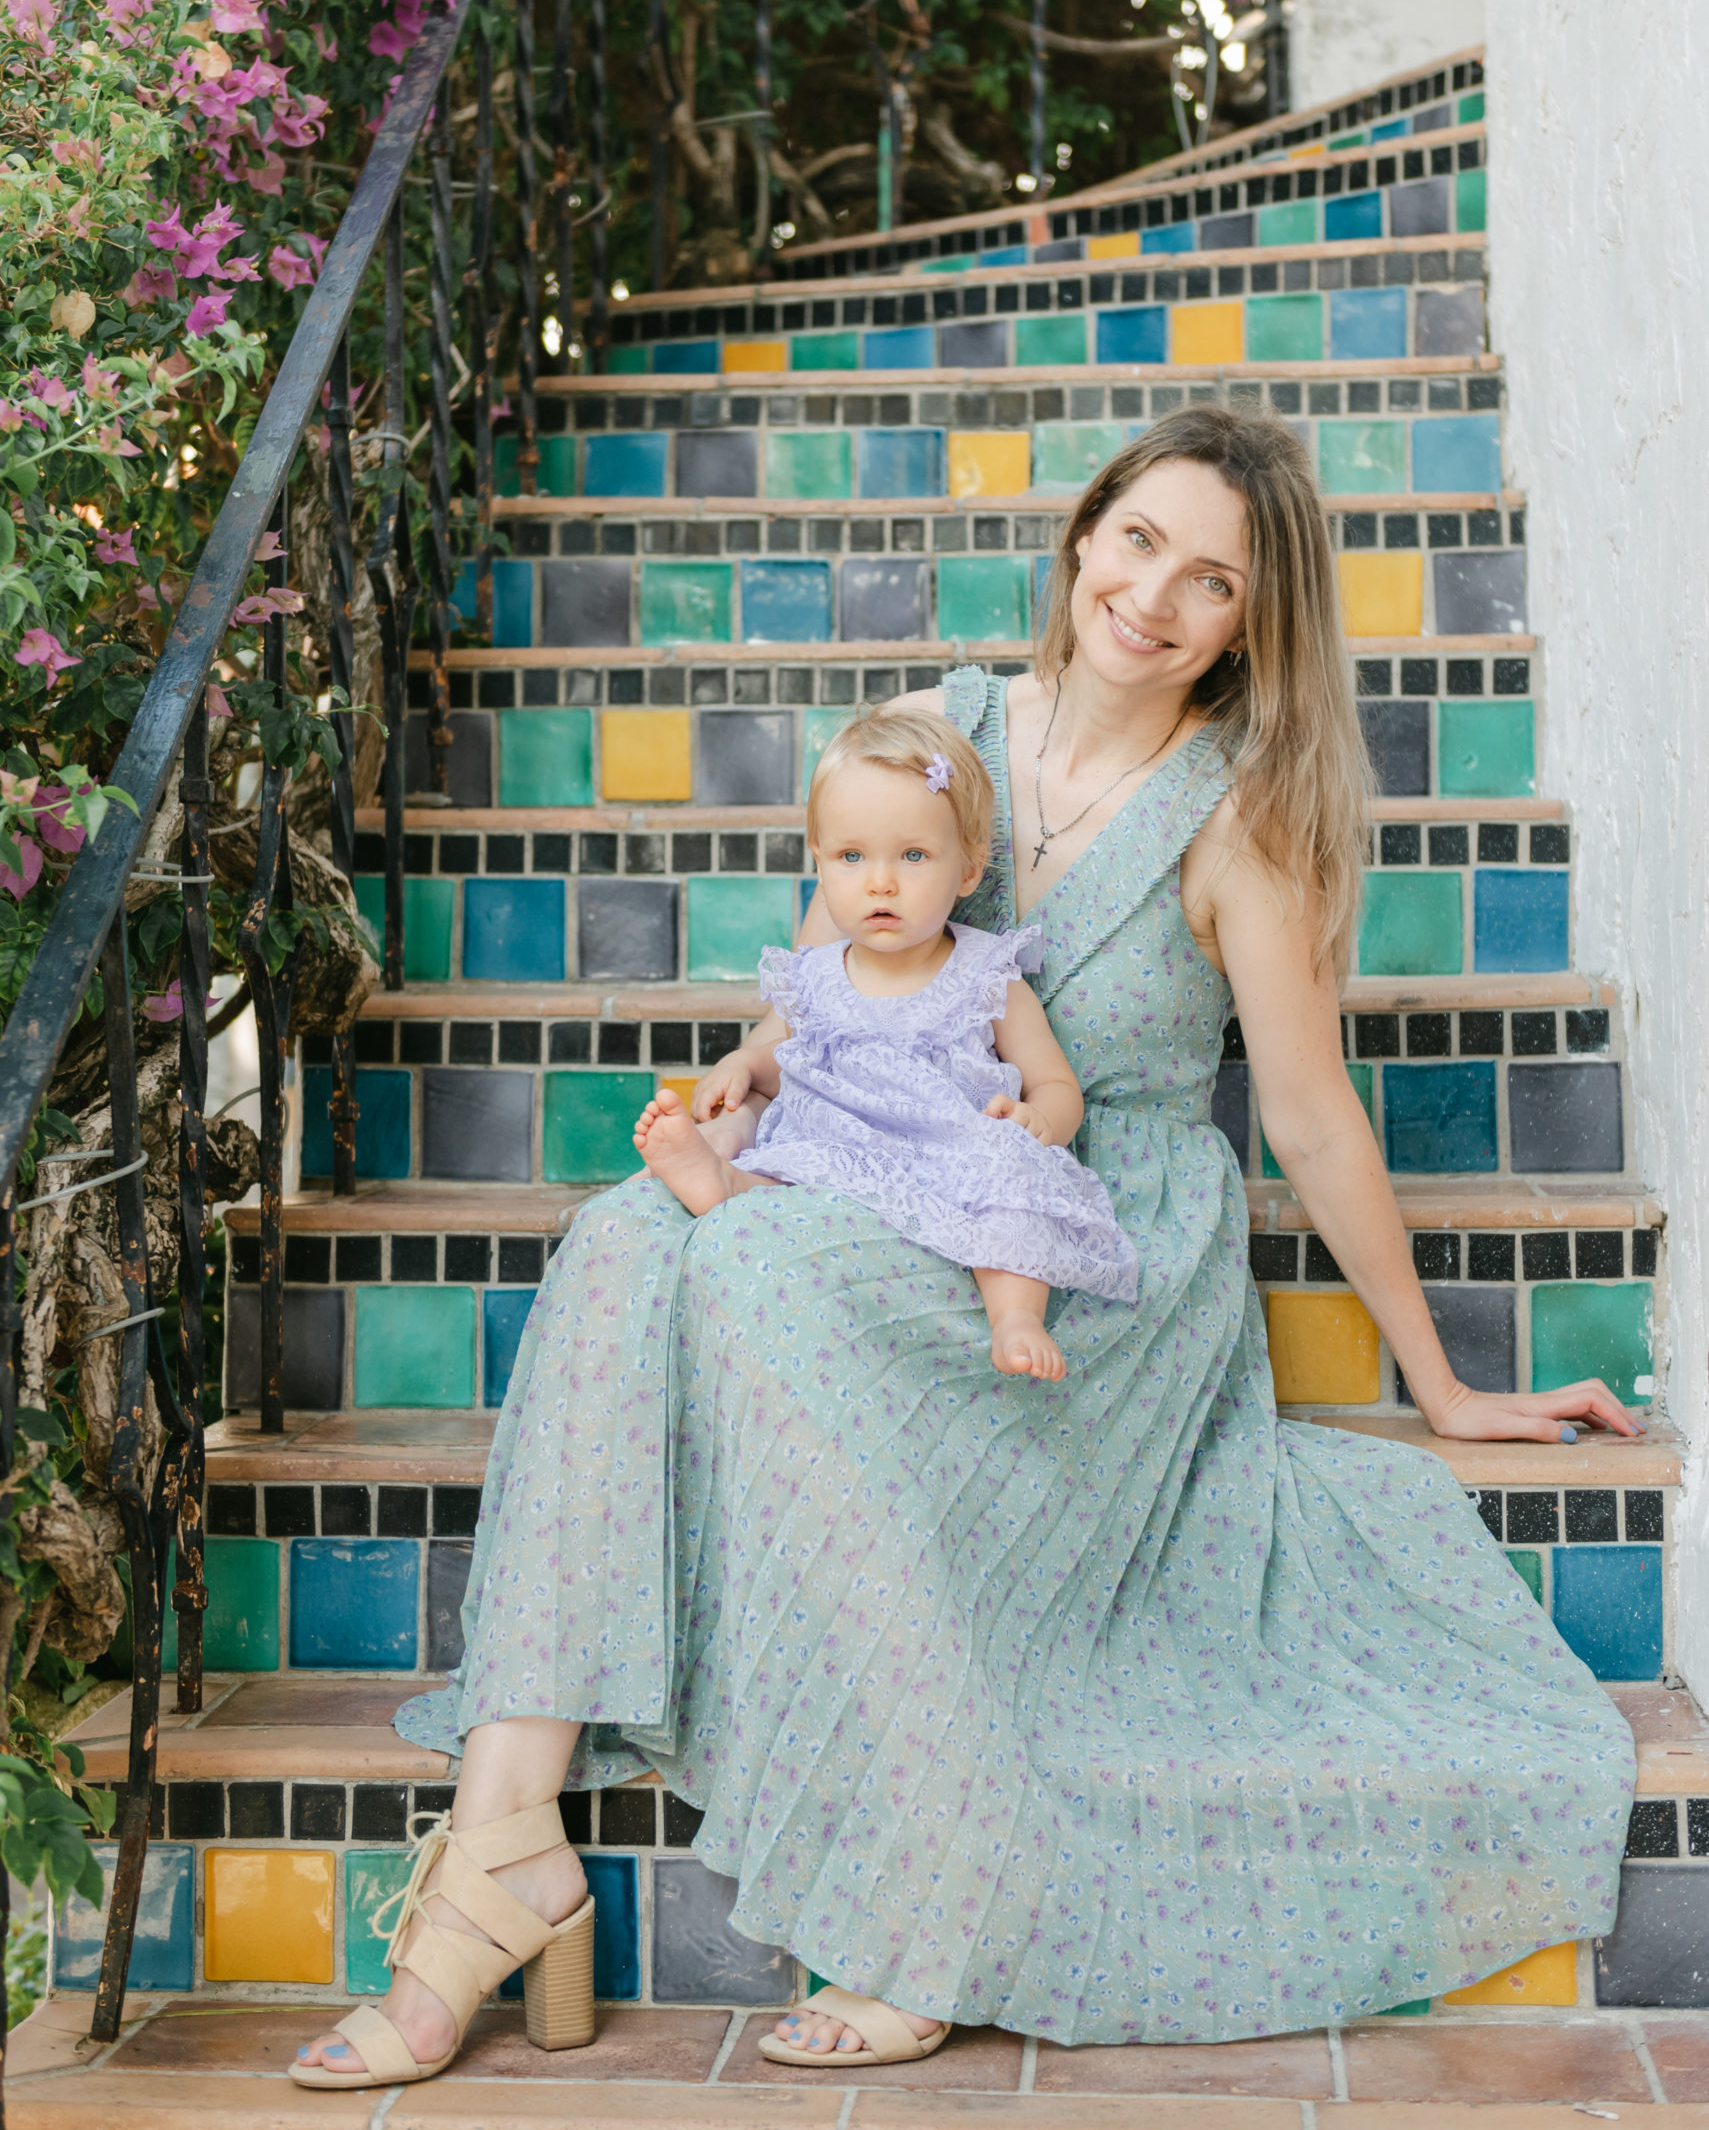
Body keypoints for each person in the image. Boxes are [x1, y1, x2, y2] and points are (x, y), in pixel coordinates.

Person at [291, 404, 1638, 2092]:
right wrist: (738, 1083)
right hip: (874, 1165)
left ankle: (921, 1877)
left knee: (750, 1269)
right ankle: (499, 1848)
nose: (1151, 597)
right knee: (634, 1235)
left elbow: (1304, 1120)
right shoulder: (943, 729)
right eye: (1136, 541)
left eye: (1208, 581)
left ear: (1248, 625)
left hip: (1075, 1232)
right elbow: (827, 977)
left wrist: (1440, 1386)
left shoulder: (1240, 822)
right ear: (1081, 535)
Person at [632, 708, 1139, 1380]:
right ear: (819, 860)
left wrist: (1037, 1121)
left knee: (1014, 1178)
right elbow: (780, 1059)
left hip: (950, 1151)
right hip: (842, 1142)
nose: (880, 882)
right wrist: (739, 1064)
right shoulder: (811, 973)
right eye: (851, 856)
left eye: (912, 855)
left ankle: (1013, 1313)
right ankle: (722, 1180)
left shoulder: (986, 973)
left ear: (966, 869)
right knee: (776, 1139)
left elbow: (1054, 1082)